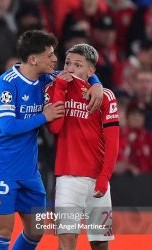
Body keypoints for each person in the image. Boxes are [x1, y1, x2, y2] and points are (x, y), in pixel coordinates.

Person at [0, 30, 103, 250]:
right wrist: (43, 117)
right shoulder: (7, 83)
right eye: (50, 55)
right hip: (2, 168)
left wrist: (96, 83)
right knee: (3, 232)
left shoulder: (47, 78)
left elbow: (80, 74)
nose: (55, 60)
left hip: (29, 172)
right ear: (33, 59)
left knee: (37, 229)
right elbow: (7, 127)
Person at [45, 43, 120, 250]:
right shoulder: (54, 88)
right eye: (68, 63)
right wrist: (60, 89)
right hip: (67, 178)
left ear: (91, 71)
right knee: (67, 238)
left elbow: (113, 143)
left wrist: (104, 177)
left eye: (78, 65)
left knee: (99, 241)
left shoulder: (105, 96)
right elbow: (56, 128)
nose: (70, 69)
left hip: (97, 178)